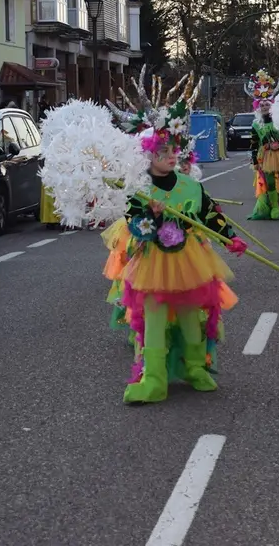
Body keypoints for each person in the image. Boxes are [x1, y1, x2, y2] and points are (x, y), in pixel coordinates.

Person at [110, 76, 249, 404]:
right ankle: (154, 380)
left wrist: (230, 238)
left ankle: (195, 368)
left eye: (174, 149)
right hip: (154, 264)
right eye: (163, 151)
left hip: (188, 261)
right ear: (148, 154)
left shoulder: (190, 186)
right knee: (154, 321)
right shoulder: (138, 190)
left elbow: (211, 215)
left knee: (191, 316)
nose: (171, 155)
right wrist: (154, 216)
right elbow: (136, 228)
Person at [246, 69, 279, 220]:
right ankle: (274, 208)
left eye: (267, 104)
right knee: (269, 182)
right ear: (258, 106)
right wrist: (255, 160)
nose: (265, 107)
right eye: (262, 105)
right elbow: (253, 143)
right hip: (266, 156)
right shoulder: (256, 124)